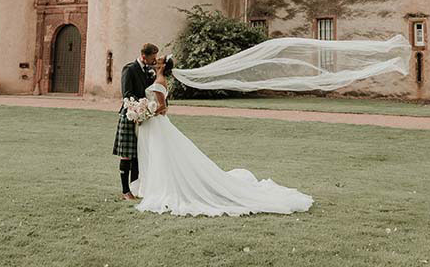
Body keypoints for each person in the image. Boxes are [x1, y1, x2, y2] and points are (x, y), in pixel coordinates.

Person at [130, 55, 313, 217]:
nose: (156, 61)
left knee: (165, 155)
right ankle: (157, 185)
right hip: (155, 125)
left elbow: (163, 108)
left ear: (162, 67)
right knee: (163, 156)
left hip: (157, 123)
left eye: (159, 60)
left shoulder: (160, 80)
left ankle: (165, 188)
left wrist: (146, 113)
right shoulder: (158, 78)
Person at [113, 42, 158, 200]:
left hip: (143, 115)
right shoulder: (129, 69)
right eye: (153, 56)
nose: (155, 59)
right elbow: (127, 93)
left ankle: (135, 187)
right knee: (127, 155)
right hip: (130, 114)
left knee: (138, 155)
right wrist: (139, 107)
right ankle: (126, 191)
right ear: (144, 56)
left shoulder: (150, 71)